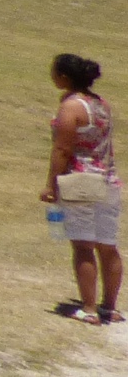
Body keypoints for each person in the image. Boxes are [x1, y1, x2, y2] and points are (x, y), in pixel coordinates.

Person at [46, 52, 121, 323]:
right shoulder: (102, 104)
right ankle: (109, 308)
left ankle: (88, 309)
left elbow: (63, 148)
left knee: (82, 245)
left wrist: (51, 184)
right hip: (108, 179)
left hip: (81, 181)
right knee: (108, 245)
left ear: (64, 77)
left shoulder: (71, 107)